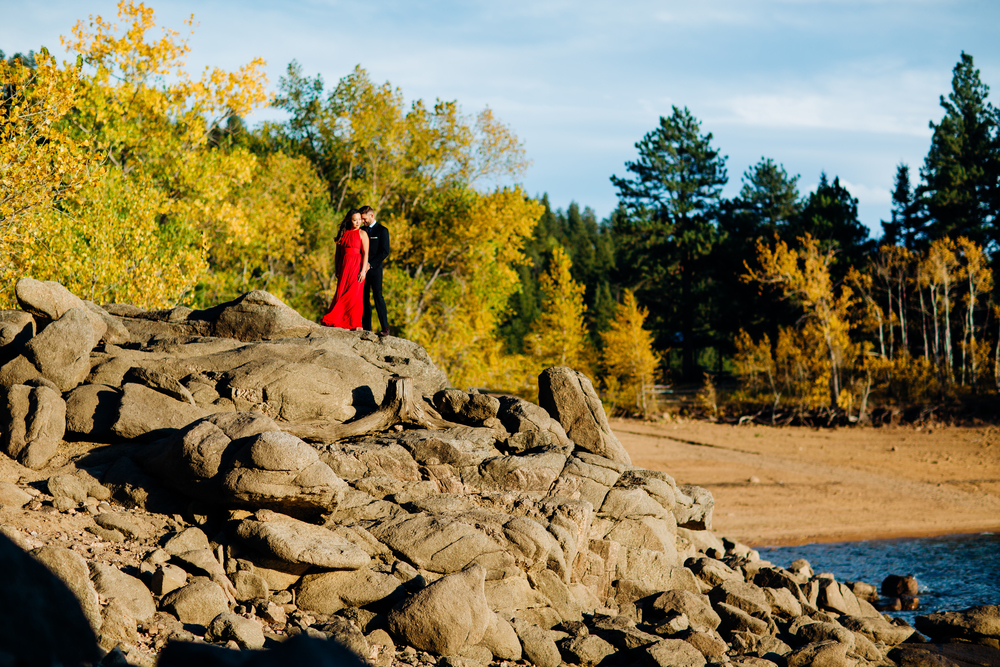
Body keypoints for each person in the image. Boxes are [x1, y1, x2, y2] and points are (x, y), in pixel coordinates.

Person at [321, 209, 369, 329]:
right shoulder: (343, 233)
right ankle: (341, 321)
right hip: (344, 267)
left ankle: (355, 323)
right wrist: (337, 268)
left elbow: (365, 253)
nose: (358, 222)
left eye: (359, 220)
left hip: (357, 267)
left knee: (355, 296)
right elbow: (337, 254)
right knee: (341, 293)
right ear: (349, 220)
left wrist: (363, 270)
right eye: (354, 220)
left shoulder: (362, 234)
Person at [359, 205, 390, 334]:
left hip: (375, 270)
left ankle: (385, 327)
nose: (363, 222)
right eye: (362, 219)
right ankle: (367, 328)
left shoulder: (382, 230)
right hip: (362, 271)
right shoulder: (361, 231)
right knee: (364, 299)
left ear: (372, 216)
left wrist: (370, 264)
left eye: (365, 219)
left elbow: (384, 252)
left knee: (378, 297)